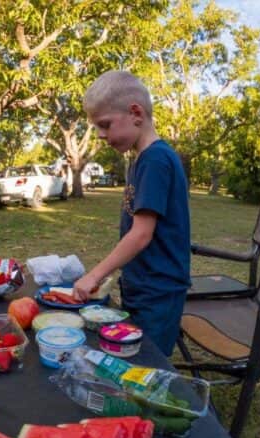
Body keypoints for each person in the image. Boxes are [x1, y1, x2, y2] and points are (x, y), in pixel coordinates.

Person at [72, 70, 191, 357]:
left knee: (148, 363)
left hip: (158, 291)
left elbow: (140, 235)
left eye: (105, 124)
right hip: (142, 284)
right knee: (131, 356)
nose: (100, 135)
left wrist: (95, 275)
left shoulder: (156, 159)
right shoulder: (142, 159)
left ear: (136, 113)